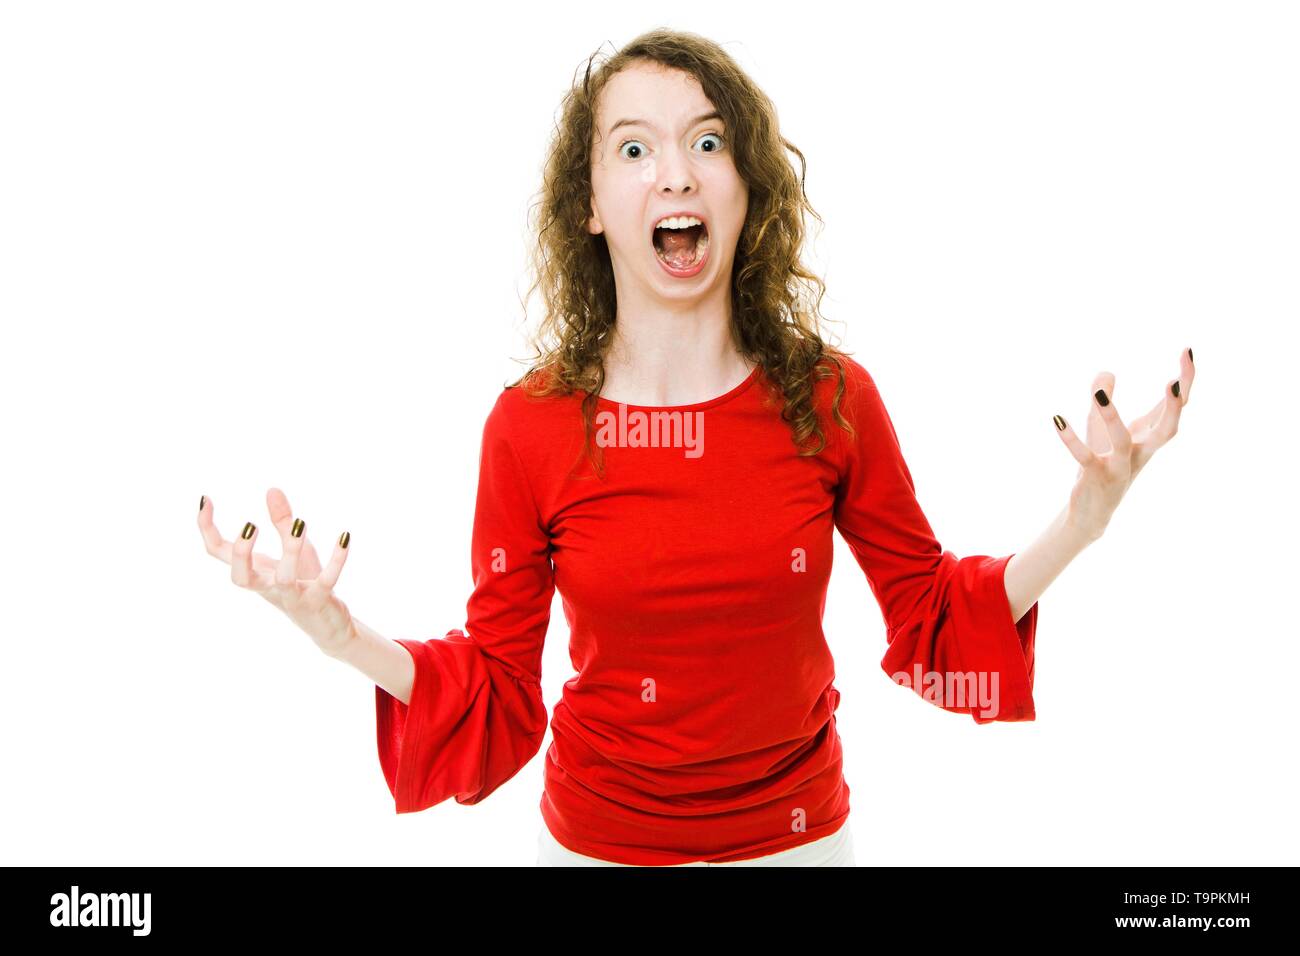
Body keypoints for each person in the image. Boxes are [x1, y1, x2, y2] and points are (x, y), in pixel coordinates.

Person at [197, 29, 1194, 867]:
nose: (674, 170)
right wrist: (342, 637)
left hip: (800, 843)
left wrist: (1083, 519)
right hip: (596, 847)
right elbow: (499, 688)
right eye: (633, 149)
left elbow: (933, 621)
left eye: (706, 142)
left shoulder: (832, 398)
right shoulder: (529, 426)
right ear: (589, 205)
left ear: (744, 186)